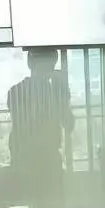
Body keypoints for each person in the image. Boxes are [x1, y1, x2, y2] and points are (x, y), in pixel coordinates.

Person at [6, 49, 74, 197]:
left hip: (30, 161)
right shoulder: (19, 92)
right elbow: (69, 125)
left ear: (30, 62)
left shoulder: (16, 91)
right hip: (34, 162)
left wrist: (63, 97)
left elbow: (68, 124)